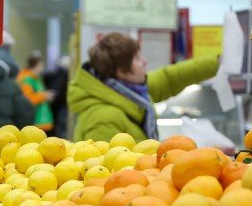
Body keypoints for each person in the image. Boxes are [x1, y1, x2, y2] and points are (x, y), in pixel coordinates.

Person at [68, 32, 219, 142]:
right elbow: (108, 171)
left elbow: (171, 78)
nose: (144, 61)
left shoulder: (131, 92)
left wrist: (220, 62)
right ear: (121, 71)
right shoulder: (103, 119)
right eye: (137, 58)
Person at [16, 51, 55, 132]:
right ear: (37, 65)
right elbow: (27, 100)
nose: (43, 67)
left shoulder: (36, 78)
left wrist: (45, 95)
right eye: (42, 65)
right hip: (32, 122)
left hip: (39, 121)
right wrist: (44, 96)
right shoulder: (26, 79)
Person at [42, 55, 71, 139]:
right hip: (62, 105)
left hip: (57, 105)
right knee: (61, 130)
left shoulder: (56, 74)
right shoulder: (65, 74)